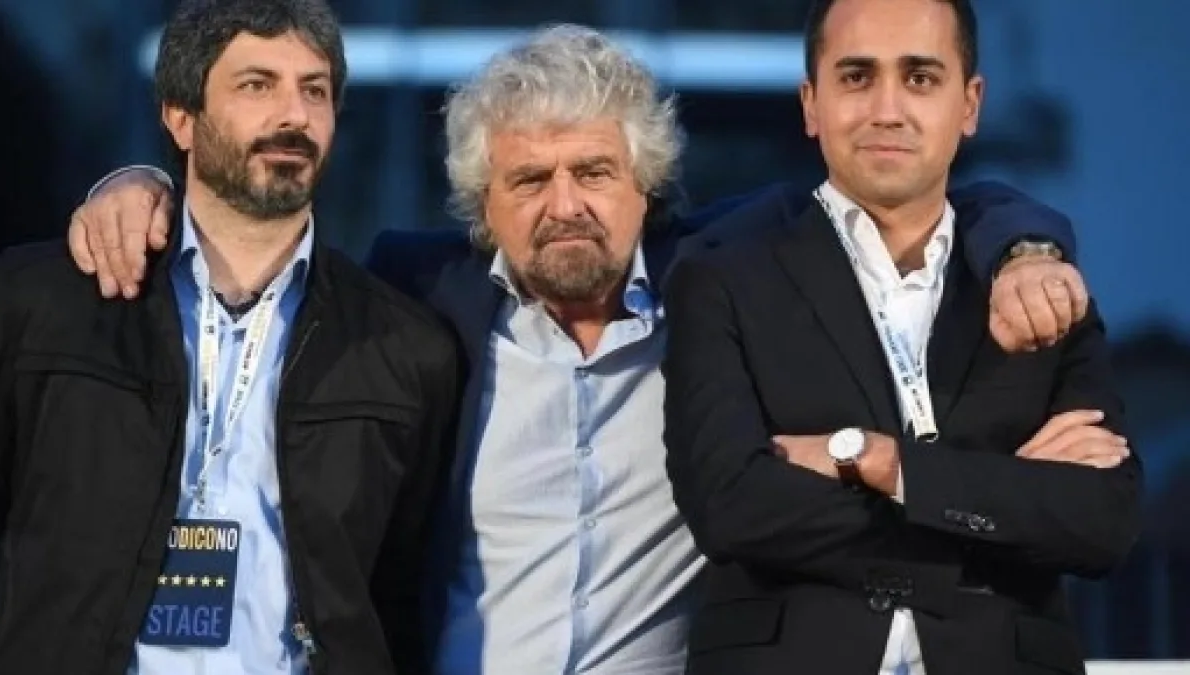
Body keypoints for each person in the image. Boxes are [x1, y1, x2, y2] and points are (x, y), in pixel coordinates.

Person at [66, 24, 1090, 675]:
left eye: (595, 172)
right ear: (483, 205)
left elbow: (925, 192)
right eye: (529, 180)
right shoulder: (415, 295)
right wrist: (140, 184)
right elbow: (251, 233)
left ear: (647, 182)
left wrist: (1028, 251)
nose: (566, 206)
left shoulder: (729, 278)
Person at [661, 1, 1143, 674]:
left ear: (969, 104)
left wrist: (882, 464)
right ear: (811, 103)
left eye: (920, 78)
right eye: (857, 77)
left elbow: (1101, 521)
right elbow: (732, 507)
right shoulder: (722, 275)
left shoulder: (1038, 283)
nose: (887, 110)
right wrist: (1003, 499)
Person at [0, 0, 459, 673]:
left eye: (314, 90)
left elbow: (401, 593)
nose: (293, 115)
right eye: (256, 85)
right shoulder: (39, 303)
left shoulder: (407, 347)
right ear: (180, 117)